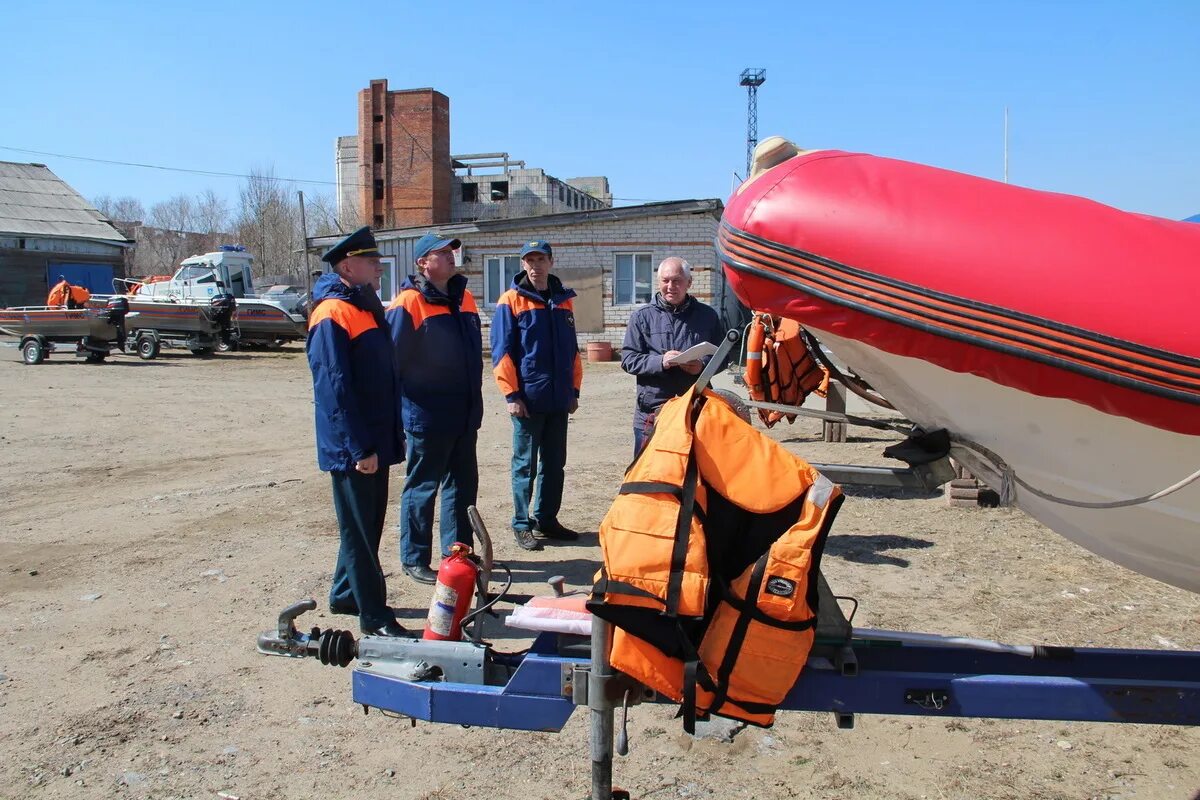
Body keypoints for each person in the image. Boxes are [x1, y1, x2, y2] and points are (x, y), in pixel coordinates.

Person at [306, 226, 410, 638]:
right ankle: (375, 616)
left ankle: (346, 593)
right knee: (361, 532)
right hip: (356, 444)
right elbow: (334, 388)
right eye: (372, 262)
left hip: (373, 438)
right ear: (348, 265)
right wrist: (360, 447)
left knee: (363, 525)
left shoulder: (363, 305)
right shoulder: (332, 311)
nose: (379, 268)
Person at [386, 233, 483, 585]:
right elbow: (392, 364)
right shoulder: (408, 302)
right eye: (440, 252)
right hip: (427, 415)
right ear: (422, 263)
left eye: (450, 251)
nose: (450, 256)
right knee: (422, 488)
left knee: (462, 486)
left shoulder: (465, 298)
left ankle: (456, 554)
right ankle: (414, 558)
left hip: (464, 414)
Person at [490, 239, 582, 551]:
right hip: (527, 401)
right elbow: (502, 353)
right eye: (529, 260)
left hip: (558, 400)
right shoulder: (511, 301)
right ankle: (521, 523)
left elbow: (572, 351)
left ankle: (547, 519)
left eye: (540, 259)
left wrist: (574, 390)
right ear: (523, 265)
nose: (535, 266)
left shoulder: (563, 301)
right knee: (525, 465)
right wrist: (511, 395)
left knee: (555, 464)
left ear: (551, 262)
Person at [620, 257, 724, 454]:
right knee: (648, 476)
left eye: (677, 280)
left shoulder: (708, 316)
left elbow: (722, 357)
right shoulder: (641, 317)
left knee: (693, 475)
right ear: (658, 282)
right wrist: (661, 362)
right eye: (665, 281)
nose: (670, 286)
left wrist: (702, 365)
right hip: (652, 411)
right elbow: (628, 359)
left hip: (694, 407)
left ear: (689, 283)